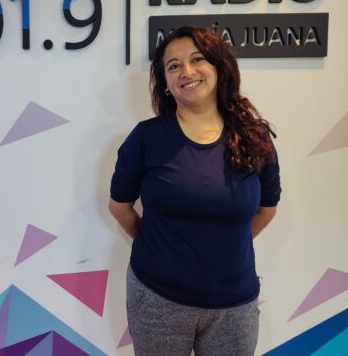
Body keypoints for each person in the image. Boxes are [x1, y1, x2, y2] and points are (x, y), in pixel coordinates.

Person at [108, 26, 281, 356]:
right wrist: (158, 246)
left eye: (197, 59)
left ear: (218, 66)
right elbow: (120, 207)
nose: (186, 71)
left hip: (234, 305)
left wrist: (226, 243)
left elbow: (267, 208)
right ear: (166, 82)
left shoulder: (254, 138)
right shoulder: (146, 138)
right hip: (157, 299)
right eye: (173, 66)